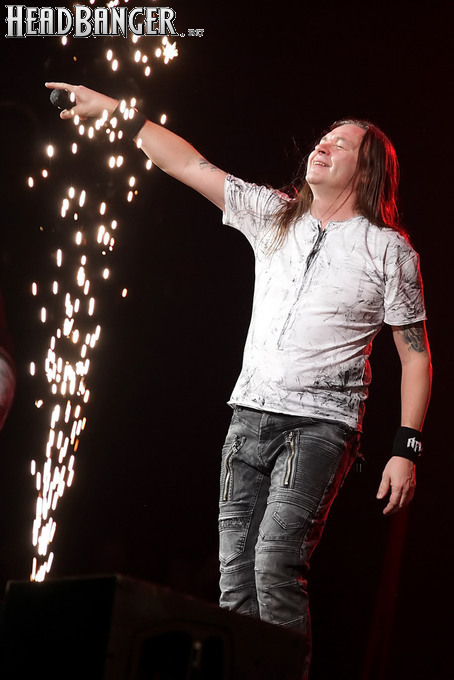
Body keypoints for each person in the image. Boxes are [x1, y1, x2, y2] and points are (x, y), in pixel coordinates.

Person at [45, 82, 432, 677]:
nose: (323, 145)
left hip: (320, 426)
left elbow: (415, 356)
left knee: (275, 564)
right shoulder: (275, 215)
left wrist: (406, 448)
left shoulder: (389, 251)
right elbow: (189, 164)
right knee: (234, 580)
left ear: (369, 169)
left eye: (341, 144)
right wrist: (118, 113)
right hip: (248, 416)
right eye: (323, 138)